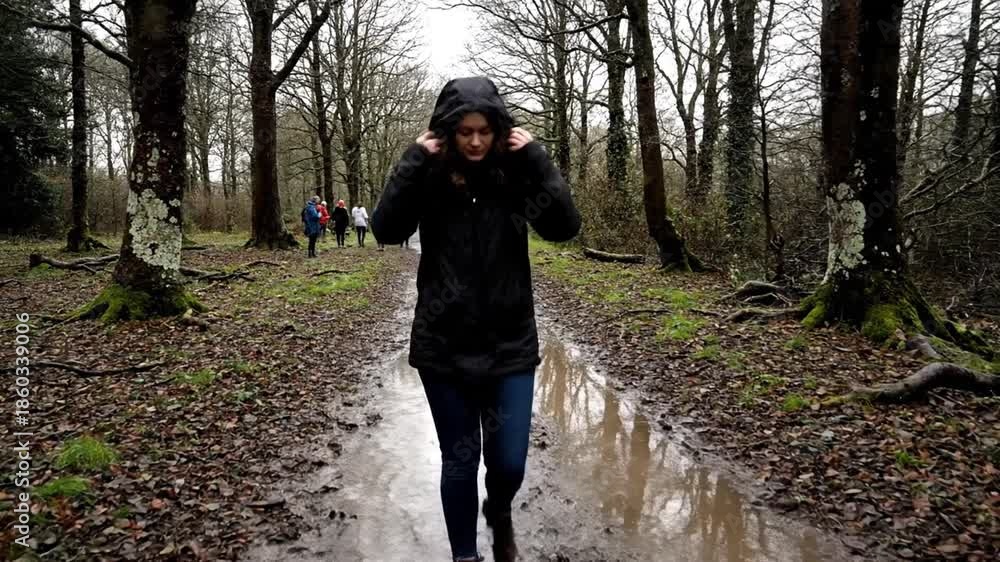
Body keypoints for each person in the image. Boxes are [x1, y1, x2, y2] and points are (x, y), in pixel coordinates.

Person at [371, 77, 580, 562]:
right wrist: (410, 162)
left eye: (484, 130)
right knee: (460, 461)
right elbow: (386, 229)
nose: (475, 141)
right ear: (448, 131)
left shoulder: (516, 174)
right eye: (464, 131)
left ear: (498, 128)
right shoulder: (428, 172)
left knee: (508, 463)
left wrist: (538, 159)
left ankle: (500, 509)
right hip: (443, 345)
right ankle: (465, 556)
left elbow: (564, 227)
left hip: (509, 343)